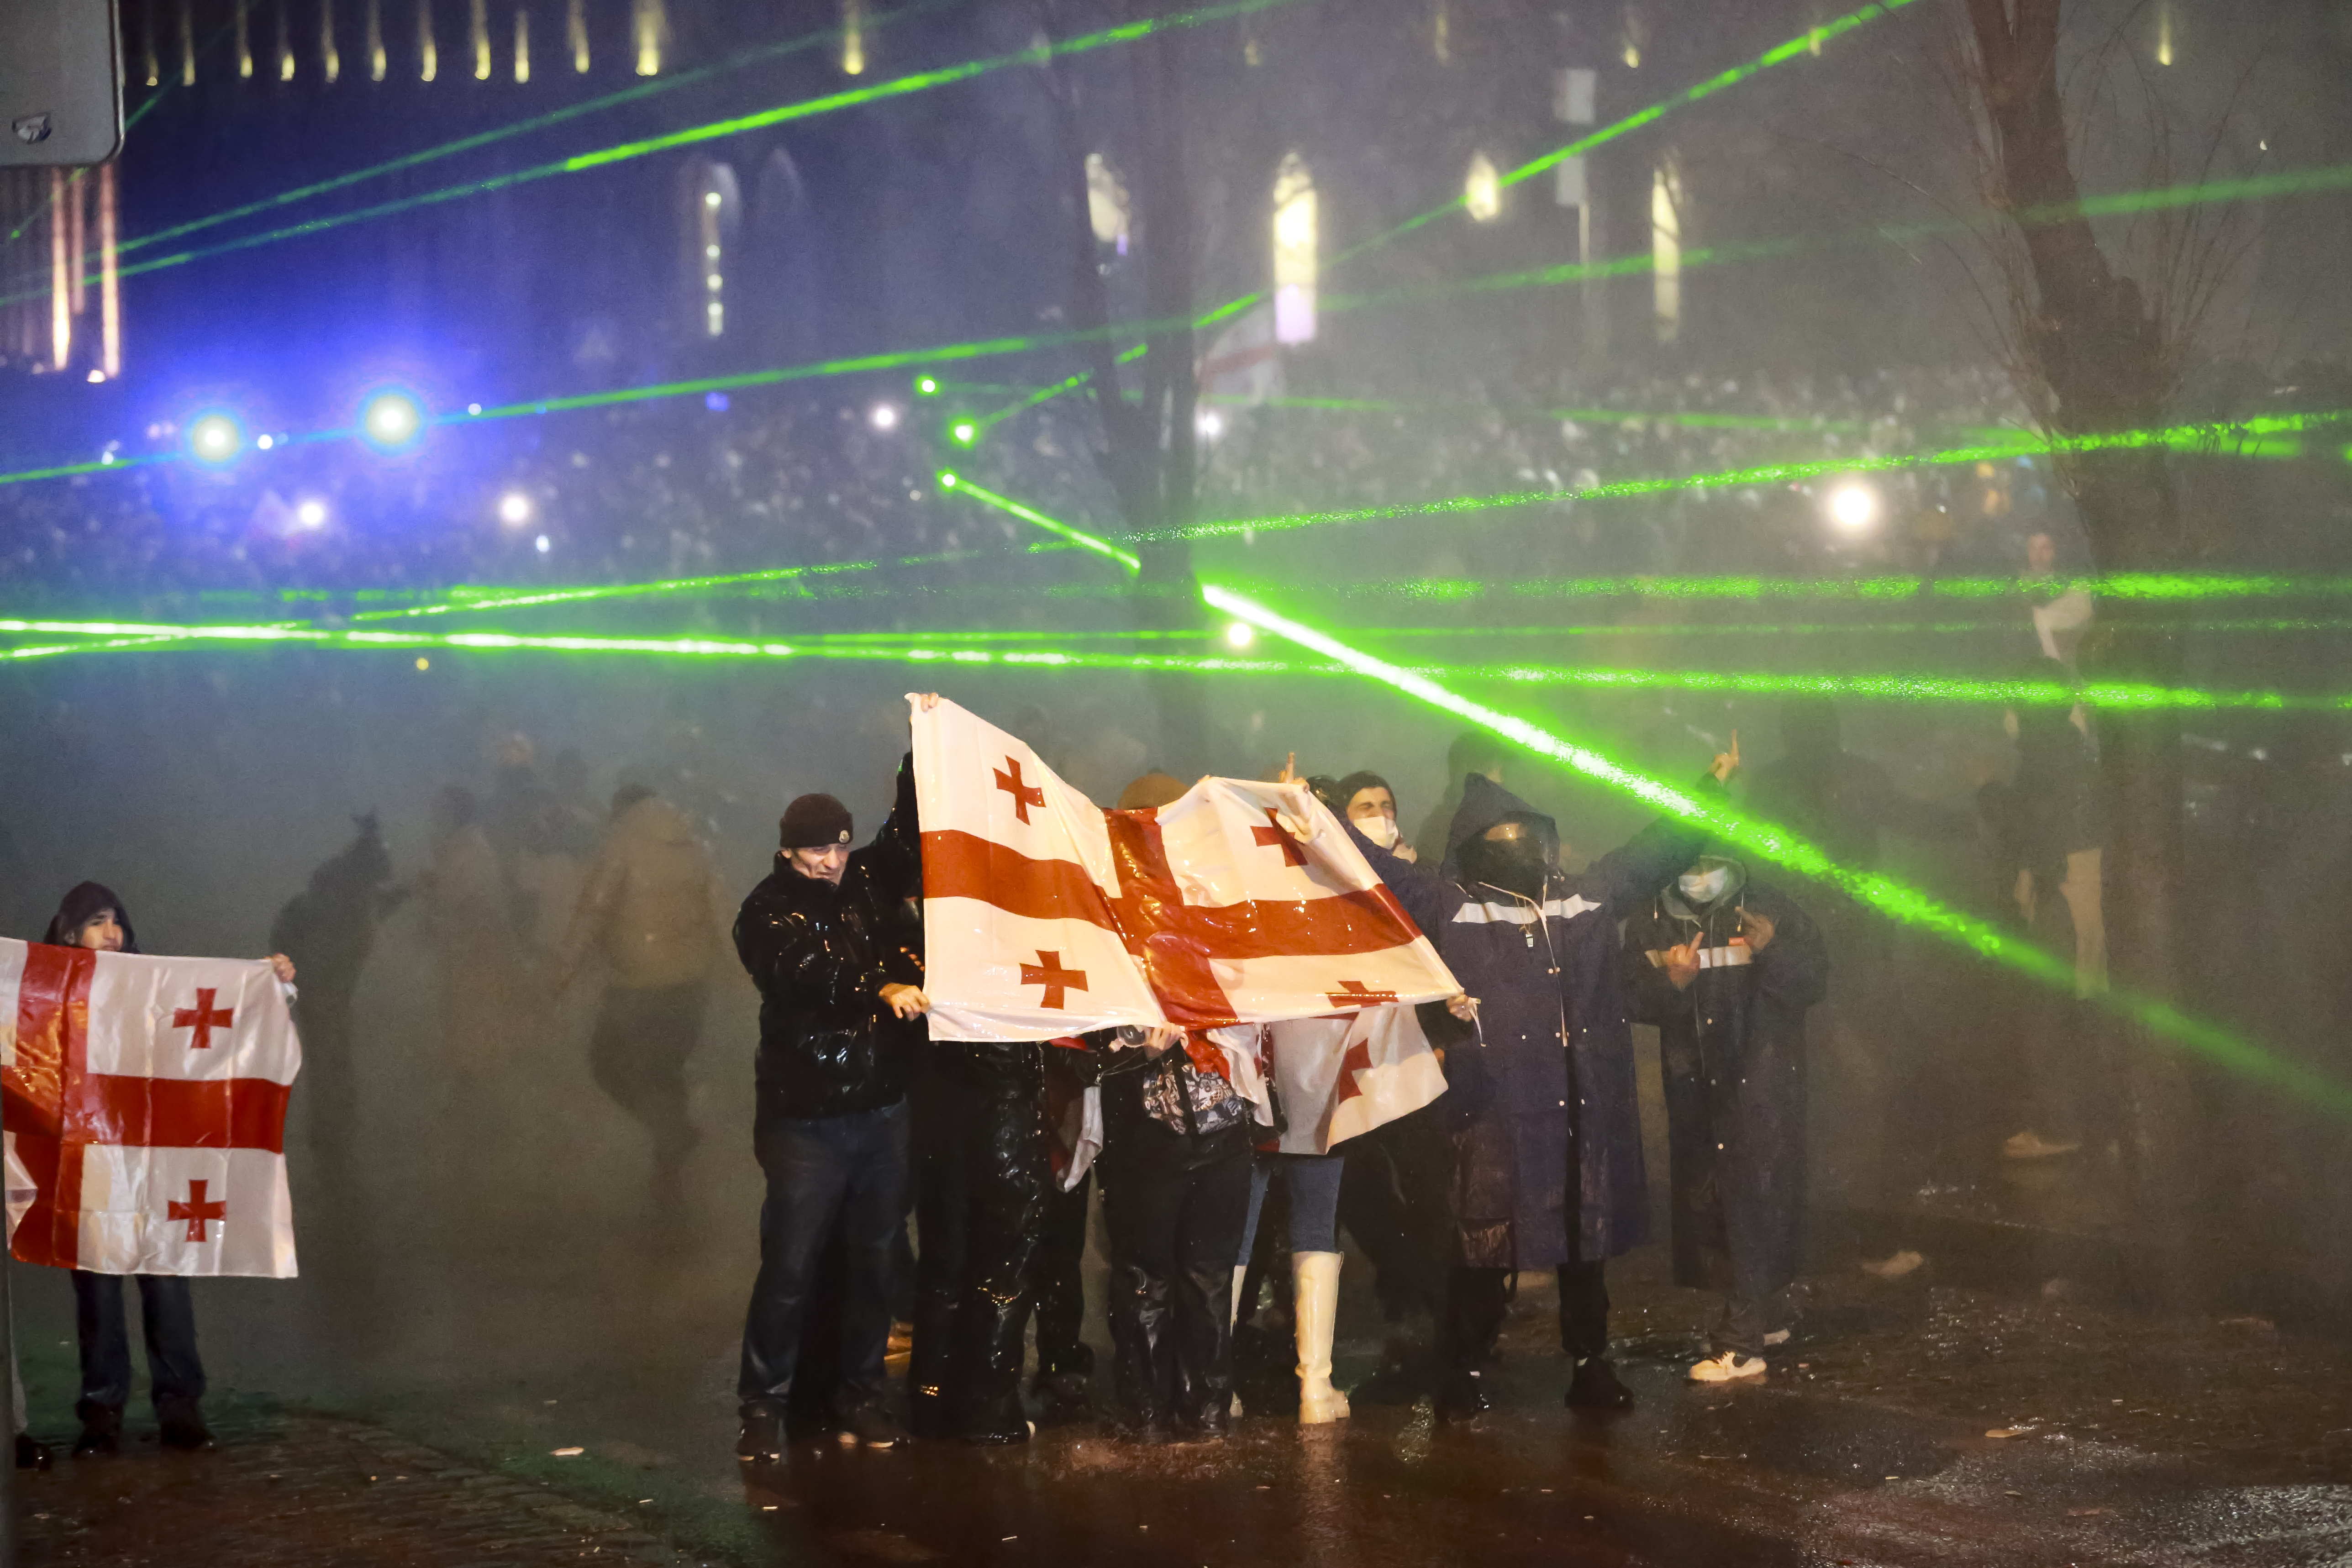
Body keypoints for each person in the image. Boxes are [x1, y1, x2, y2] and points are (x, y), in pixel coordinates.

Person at [1352, 739, 1738, 1420]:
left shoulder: (1580, 899)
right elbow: (1371, 868)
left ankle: (1591, 1365)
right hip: (1494, 1107)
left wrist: (1706, 787)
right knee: (1485, 1243)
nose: (1516, 846)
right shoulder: (1451, 904)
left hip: (1578, 1105)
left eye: (1525, 834)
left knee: (1582, 1244)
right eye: (1501, 837)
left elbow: (1654, 849)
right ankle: (1464, 1369)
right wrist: (1301, 817)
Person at [40, 882, 297, 1458]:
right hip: (92, 1164)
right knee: (99, 1293)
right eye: (98, 922)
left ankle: (180, 1407)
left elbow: (211, 1007)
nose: (113, 933)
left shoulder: (150, 986)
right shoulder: (49, 992)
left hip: (156, 1161)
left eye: (118, 922)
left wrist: (266, 981)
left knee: (166, 1277)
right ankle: (101, 1414)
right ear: (68, 931)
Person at [731, 748, 929, 1460]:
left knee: (875, 1263)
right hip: (805, 1122)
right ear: (788, 851)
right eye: (817, 848)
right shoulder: (765, 910)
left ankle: (863, 1396)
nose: (831, 860)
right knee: (788, 1266)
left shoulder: (864, 880)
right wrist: (878, 984)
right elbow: (803, 972)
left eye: (840, 846)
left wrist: (922, 749)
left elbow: (906, 836)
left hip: (880, 1112)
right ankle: (762, 1405)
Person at [1624, 855, 1828, 1382]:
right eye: (1689, 861)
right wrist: (1671, 981)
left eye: (1711, 862)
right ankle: (1769, 1315)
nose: (1698, 873)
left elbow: (1813, 981)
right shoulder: (1653, 914)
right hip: (1693, 1079)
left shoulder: (1767, 904)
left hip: (1759, 1078)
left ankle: (1741, 1342)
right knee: (1715, 1196)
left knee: (1750, 1192)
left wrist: (1772, 950)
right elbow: (1627, 994)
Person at [554, 784, 731, 1212]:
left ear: (624, 809)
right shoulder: (695, 846)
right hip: (690, 982)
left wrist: (564, 969)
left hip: (636, 983)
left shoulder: (621, 845)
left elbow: (593, 911)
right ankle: (668, 1168)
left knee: (608, 1062)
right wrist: (745, 969)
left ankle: (671, 1138)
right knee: (665, 1073)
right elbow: (722, 913)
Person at [1979, 669, 2108, 1162]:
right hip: (2079, 891)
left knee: (2045, 1013)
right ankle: (2097, 1123)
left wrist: (1988, 788)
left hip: (2063, 894)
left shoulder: (2045, 756)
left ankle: (2062, 1126)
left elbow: (2028, 832)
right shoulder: (2073, 749)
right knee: (2083, 1007)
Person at [906, 1033, 1052, 1445]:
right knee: (1007, 1268)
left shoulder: (928, 969)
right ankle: (988, 1407)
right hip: (1005, 1117)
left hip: (938, 1115)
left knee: (944, 1263)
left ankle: (929, 1400)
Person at [269, 814, 405, 1161]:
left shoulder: (340, 891)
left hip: (319, 983)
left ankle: (333, 1123)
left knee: (329, 1050)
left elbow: (372, 910)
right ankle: (332, 1126)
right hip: (322, 984)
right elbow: (347, 933)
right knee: (330, 1050)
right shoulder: (341, 903)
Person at [1410, 732, 1510, 867]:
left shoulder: (1498, 821)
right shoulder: (1445, 826)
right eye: (1498, 771)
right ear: (1476, 775)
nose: (1501, 781)